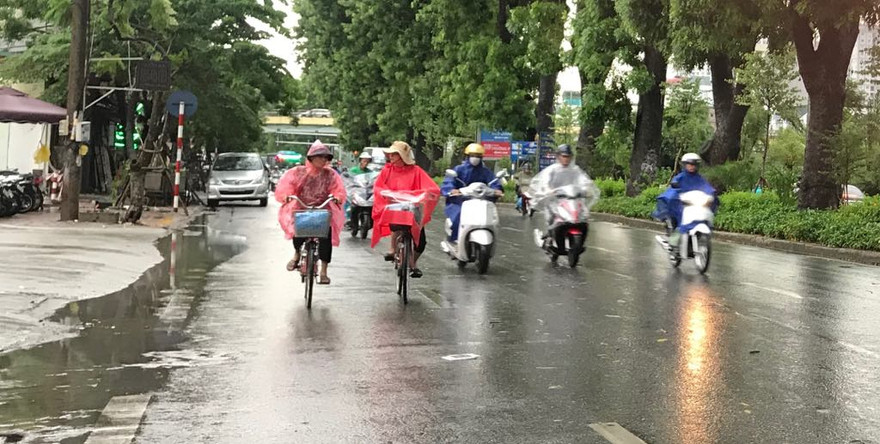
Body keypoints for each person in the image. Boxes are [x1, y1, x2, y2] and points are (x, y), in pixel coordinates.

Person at [275, 140, 347, 285]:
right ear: (311, 158)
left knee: (326, 237)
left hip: (323, 209)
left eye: (325, 157)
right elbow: (286, 186)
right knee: (298, 233)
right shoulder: (298, 172)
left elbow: (337, 189)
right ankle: (296, 254)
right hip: (302, 207)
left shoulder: (330, 174)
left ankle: (324, 272)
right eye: (320, 156)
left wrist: (337, 197)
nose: (323, 160)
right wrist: (287, 196)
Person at [371, 141, 440, 278]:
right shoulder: (387, 170)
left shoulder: (416, 171)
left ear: (402, 156)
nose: (391, 157)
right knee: (395, 224)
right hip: (395, 208)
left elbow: (431, 187)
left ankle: (412, 263)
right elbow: (378, 186)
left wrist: (429, 193)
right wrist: (385, 193)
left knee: (421, 243)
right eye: (391, 154)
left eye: (395, 154)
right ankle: (392, 248)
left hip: (412, 208)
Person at [529, 144, 599, 246]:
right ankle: (549, 235)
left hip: (572, 200)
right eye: (564, 156)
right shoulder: (552, 170)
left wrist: (586, 189)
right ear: (558, 156)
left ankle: (579, 242)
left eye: (568, 156)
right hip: (555, 200)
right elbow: (545, 182)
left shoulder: (575, 170)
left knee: (583, 217)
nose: (566, 159)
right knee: (551, 218)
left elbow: (583, 180)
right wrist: (548, 189)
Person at [653, 153, 717, 253]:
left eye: (694, 164)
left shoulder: (700, 178)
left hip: (695, 206)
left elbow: (707, 187)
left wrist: (711, 193)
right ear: (685, 165)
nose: (692, 167)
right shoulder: (681, 177)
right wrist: (677, 192)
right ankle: (672, 242)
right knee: (680, 222)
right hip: (682, 206)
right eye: (689, 164)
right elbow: (674, 187)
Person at [440, 143, 503, 243]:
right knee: (458, 216)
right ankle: (455, 239)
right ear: (467, 156)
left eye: (478, 156)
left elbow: (494, 182)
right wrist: (452, 190)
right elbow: (449, 182)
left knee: (491, 218)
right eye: (473, 155)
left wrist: (497, 190)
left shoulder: (485, 171)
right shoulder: (459, 169)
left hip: (481, 202)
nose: (475, 158)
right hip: (460, 202)